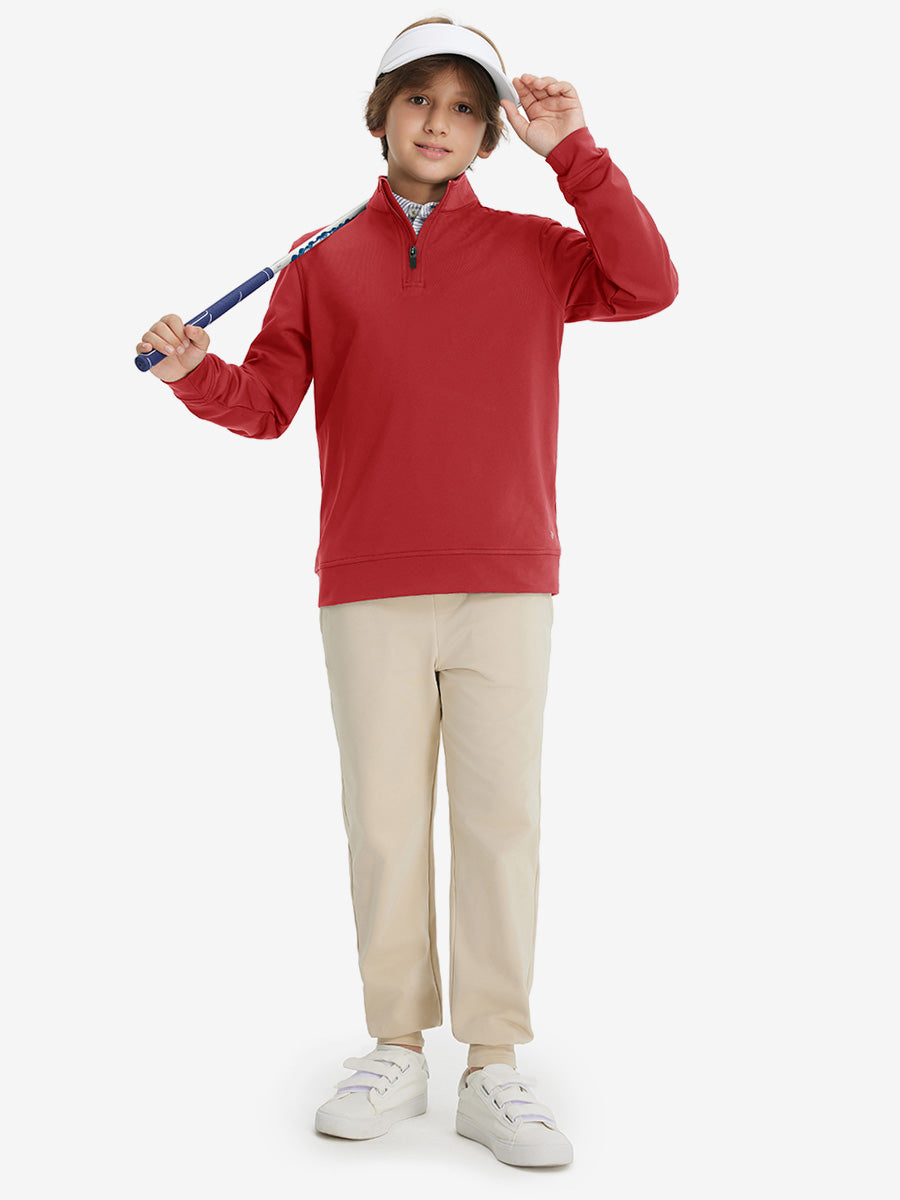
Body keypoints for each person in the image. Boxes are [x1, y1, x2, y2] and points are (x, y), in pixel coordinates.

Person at [136, 15, 678, 1169]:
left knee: (498, 823)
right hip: (369, 586)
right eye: (420, 99)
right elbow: (265, 404)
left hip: (507, 582)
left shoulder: (537, 249)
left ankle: (493, 1064)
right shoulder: (318, 258)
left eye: (465, 107)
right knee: (384, 825)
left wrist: (576, 153)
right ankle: (395, 1046)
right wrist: (196, 373)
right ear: (381, 113)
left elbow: (648, 283)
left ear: (488, 134)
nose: (440, 122)